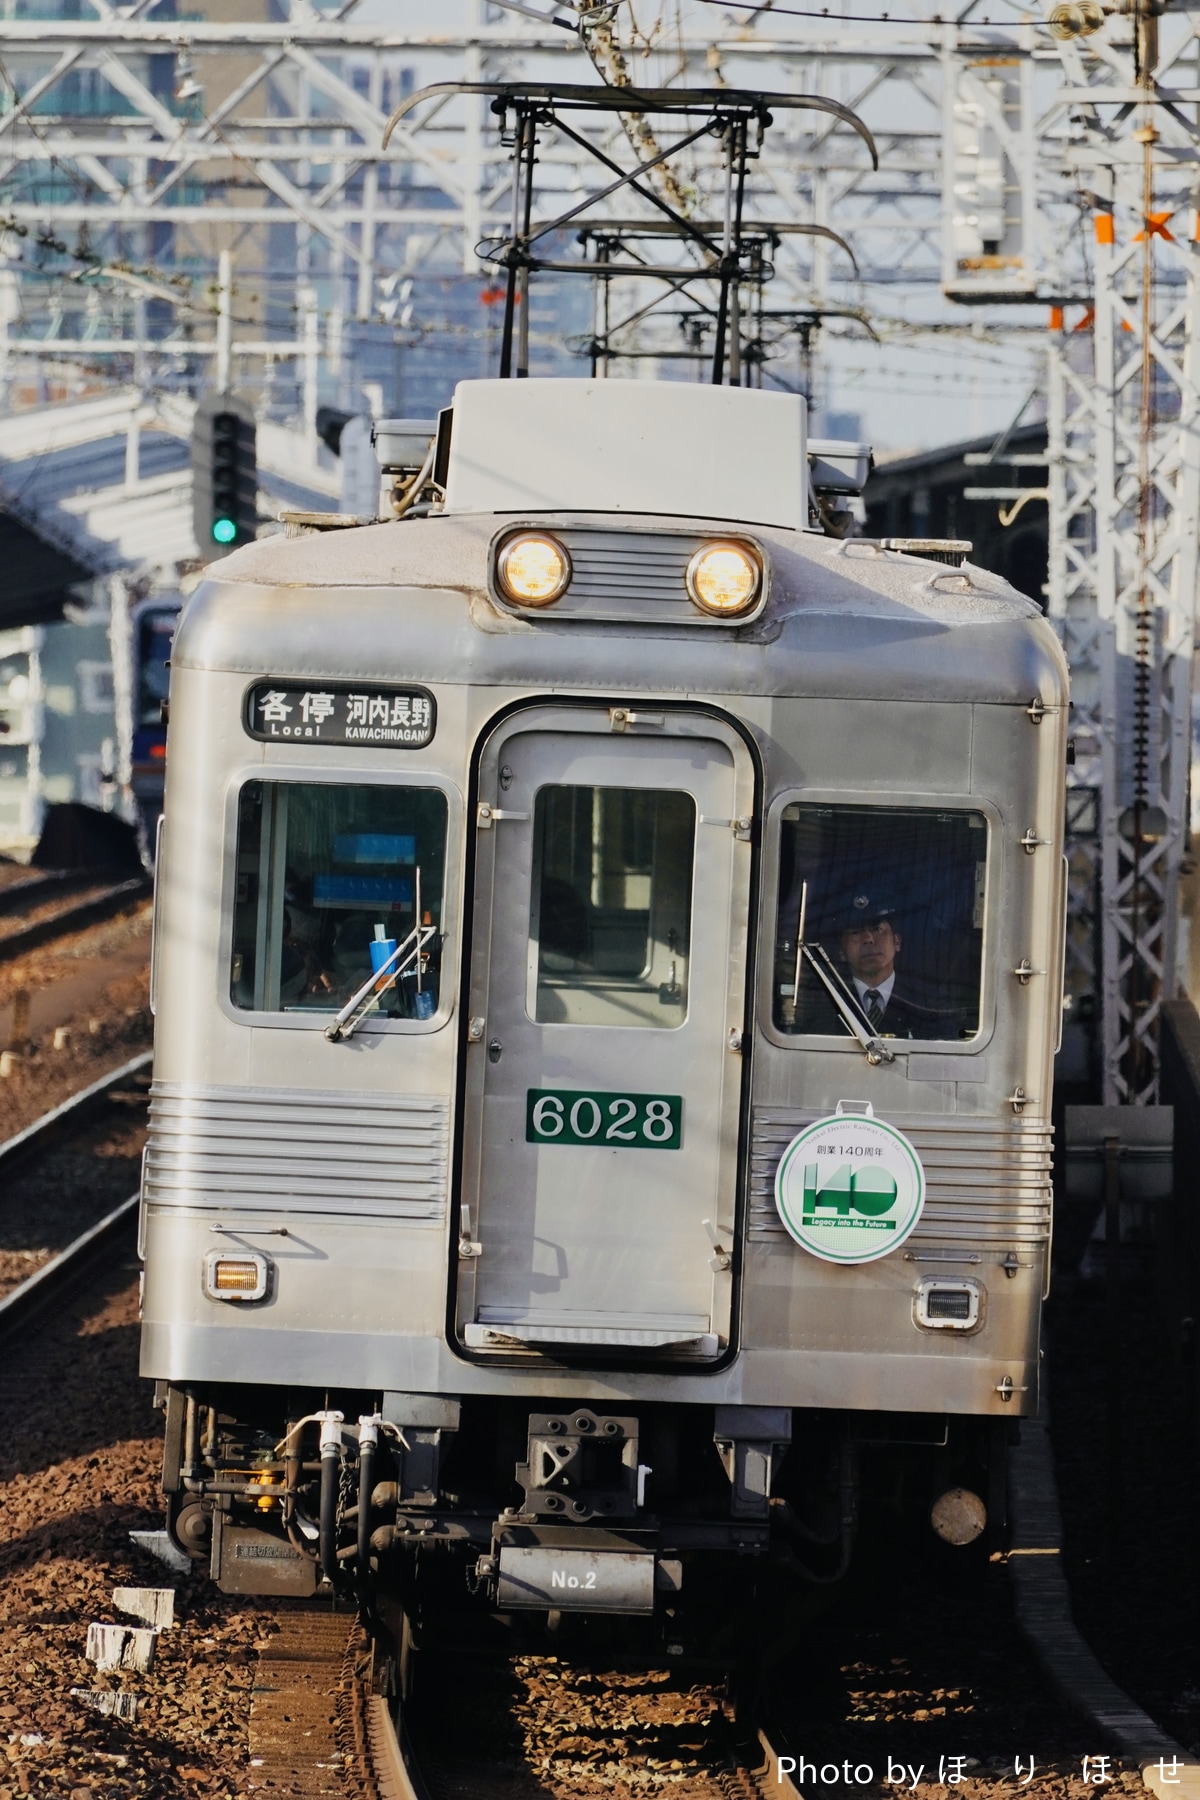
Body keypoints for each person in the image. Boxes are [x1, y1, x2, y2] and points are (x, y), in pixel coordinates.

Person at [837, 895, 959, 1041]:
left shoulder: (929, 1002)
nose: (868, 938)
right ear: (841, 952)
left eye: (878, 929)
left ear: (897, 942)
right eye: (855, 932)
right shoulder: (823, 1001)